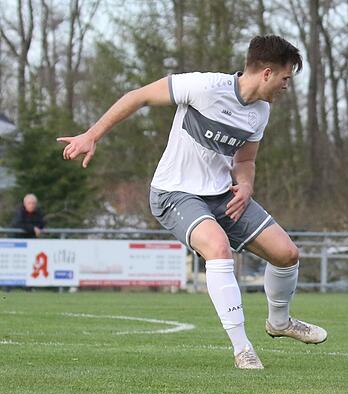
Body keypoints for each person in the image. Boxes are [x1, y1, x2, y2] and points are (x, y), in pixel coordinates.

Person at [59, 35, 326, 370]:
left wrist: (245, 185)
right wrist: (91, 135)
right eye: (287, 78)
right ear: (267, 73)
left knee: (287, 253)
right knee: (217, 247)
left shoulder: (260, 113)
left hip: (220, 196)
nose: (288, 86)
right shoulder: (204, 87)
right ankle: (242, 348)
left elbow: (245, 161)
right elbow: (138, 96)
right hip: (174, 192)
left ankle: (280, 322)